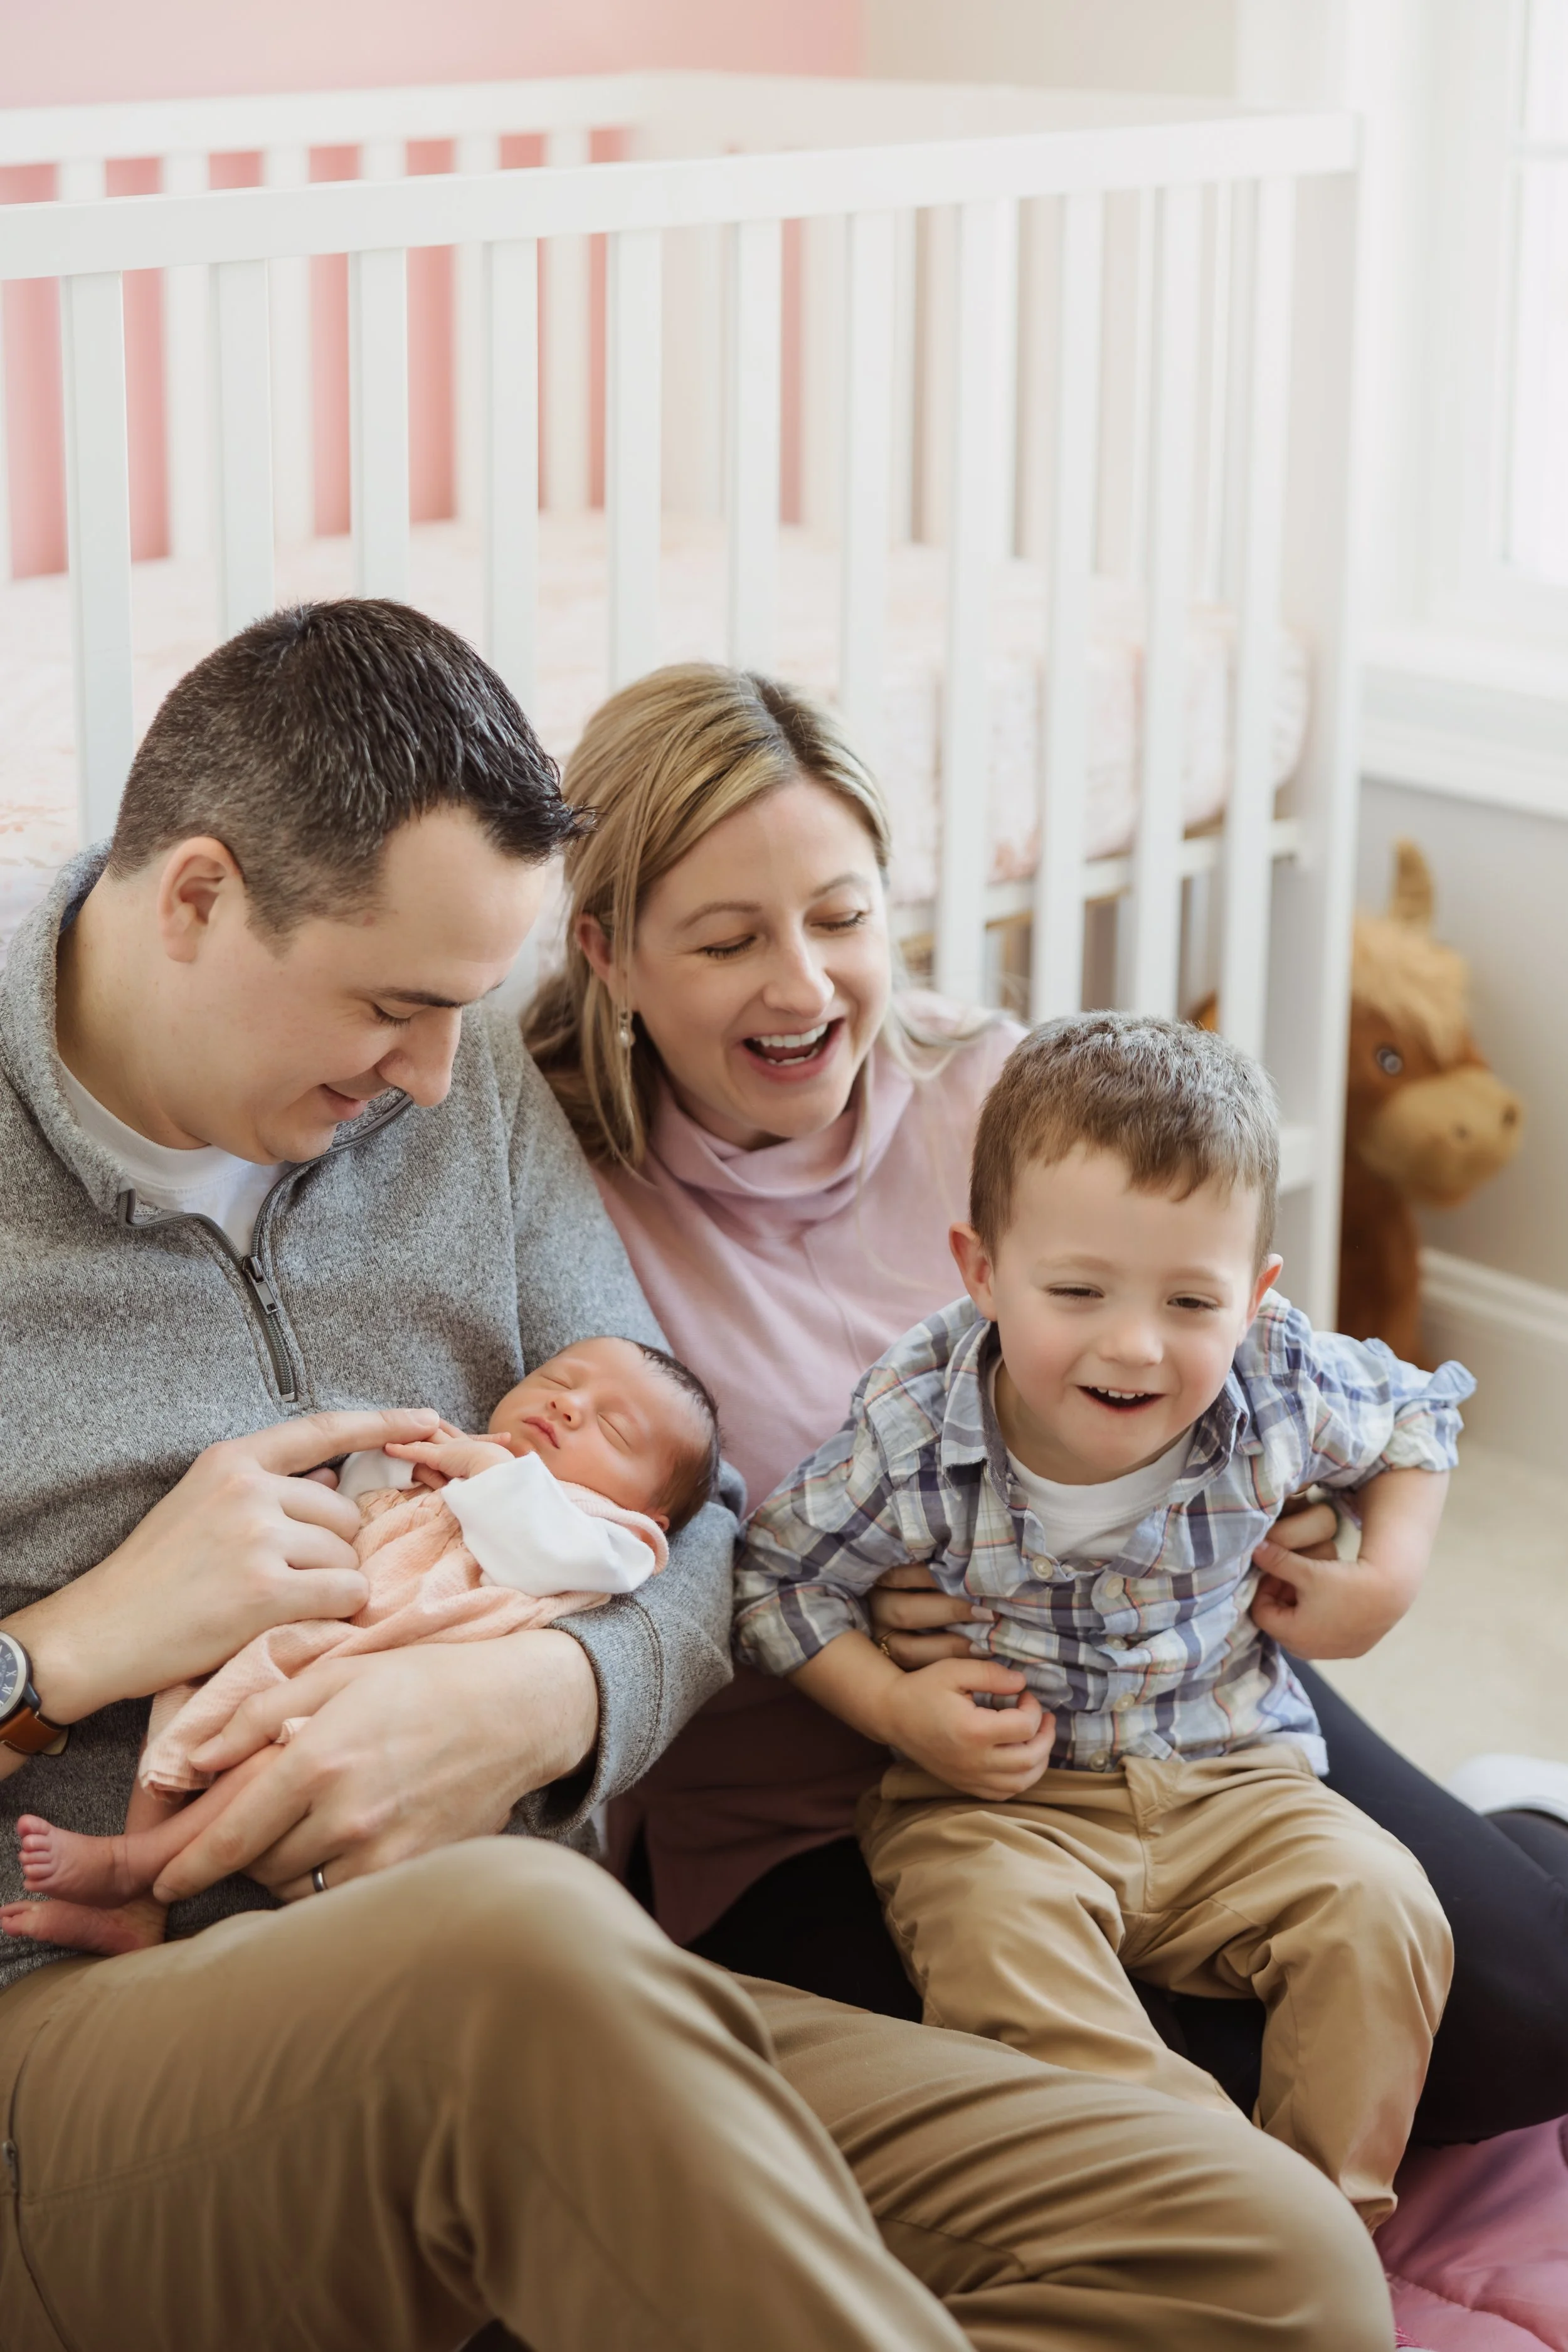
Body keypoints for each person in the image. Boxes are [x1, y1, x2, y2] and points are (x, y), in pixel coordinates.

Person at [0, 602, 1390, 2352]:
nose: (440, 1077)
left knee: (1259, 2244)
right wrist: (61, 1650)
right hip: (78, 2037)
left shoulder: (461, 1081)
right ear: (196, 896)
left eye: (469, 1012)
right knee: (512, 1948)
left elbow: (703, 1509)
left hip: (566, 2003)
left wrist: (551, 1685)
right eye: (396, 1007)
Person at [525, 657, 1568, 2148]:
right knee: (1138, 2123)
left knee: (1513, 2017)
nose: (805, 984)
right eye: (728, 938)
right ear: (608, 953)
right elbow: (608, 1538)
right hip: (825, 1798)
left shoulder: (995, 1090)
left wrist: (1361, 1551)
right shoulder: (559, 1202)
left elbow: (1267, 1362)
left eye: (842, 916)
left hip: (1167, 1687)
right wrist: (881, 1656)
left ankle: (1524, 1824)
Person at [736, 1012, 1466, 2227]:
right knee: (994, 1953)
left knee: (1382, 1907)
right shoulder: (915, 1430)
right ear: (979, 1272)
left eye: (1190, 1301)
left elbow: (1413, 1420)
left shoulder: (1276, 1374)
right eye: (1074, 1292)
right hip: (999, 1809)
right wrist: (892, 1705)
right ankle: (1207, 2217)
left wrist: (1381, 1579)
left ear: (1254, 1298)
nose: (1131, 1346)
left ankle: (1324, 2227)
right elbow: (774, 1580)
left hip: (1231, 1775)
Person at [4, 1335, 718, 1956]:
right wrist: (372, 1475)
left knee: (293, 1756)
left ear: (652, 1510)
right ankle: (137, 1913)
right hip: (317, 1632)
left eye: (615, 1431)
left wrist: (483, 1473)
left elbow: (546, 1552)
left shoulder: (616, 1538)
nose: (568, 1406)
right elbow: (362, 1500)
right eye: (559, 1381)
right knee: (187, 1701)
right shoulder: (460, 1453)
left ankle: (139, 1865)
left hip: (387, 1674)